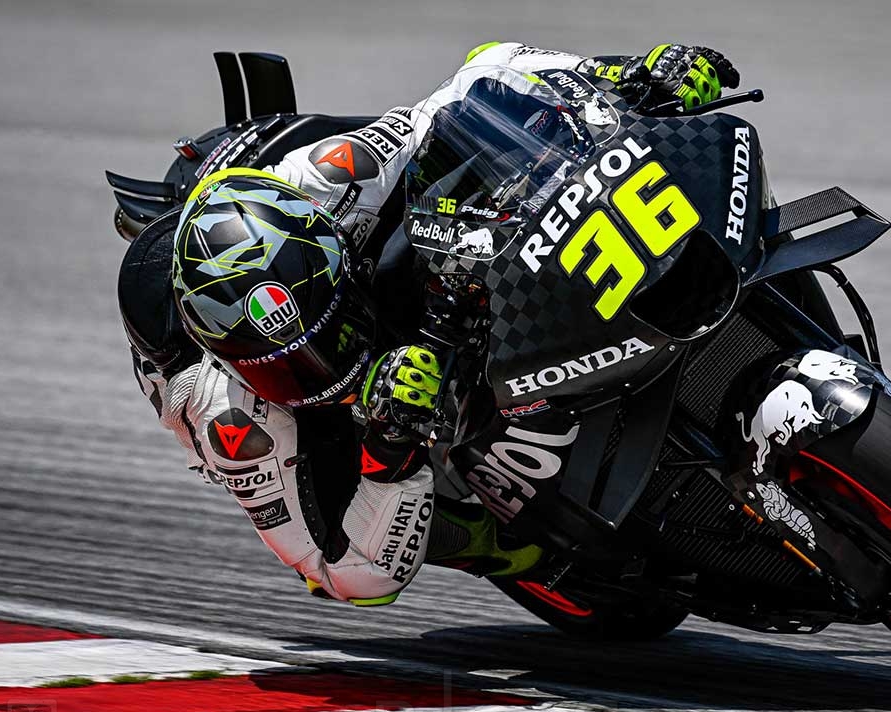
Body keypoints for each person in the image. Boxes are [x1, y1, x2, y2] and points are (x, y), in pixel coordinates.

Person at [121, 42, 739, 606]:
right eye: (286, 368)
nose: (321, 367)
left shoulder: (333, 180)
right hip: (320, 431)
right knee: (473, 530)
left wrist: (621, 75)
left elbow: (476, 76)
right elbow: (343, 576)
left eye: (328, 334)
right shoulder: (226, 414)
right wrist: (386, 447)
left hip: (322, 213)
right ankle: (511, 553)